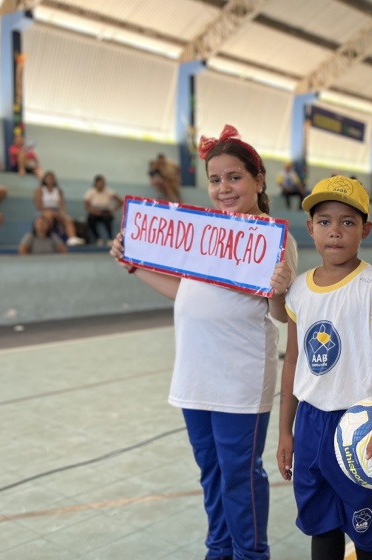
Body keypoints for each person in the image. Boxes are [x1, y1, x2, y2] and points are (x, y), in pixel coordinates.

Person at [110, 124, 297, 560]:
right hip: (195, 374)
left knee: (240, 475)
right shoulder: (204, 233)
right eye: (215, 179)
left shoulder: (273, 237)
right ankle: (218, 549)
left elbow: (279, 315)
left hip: (240, 379)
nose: (224, 187)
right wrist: (133, 265)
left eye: (235, 177)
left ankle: (251, 554)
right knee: (211, 473)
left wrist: (279, 290)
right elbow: (185, 292)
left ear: (258, 180)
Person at [276, 176, 372, 560]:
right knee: (322, 527)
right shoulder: (299, 289)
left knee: (369, 538)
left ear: (365, 229)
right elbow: (293, 364)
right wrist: (285, 430)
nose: (335, 232)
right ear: (310, 228)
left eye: (347, 222)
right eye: (324, 222)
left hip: (363, 427)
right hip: (310, 425)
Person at [34, 171, 85, 246]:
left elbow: (62, 205)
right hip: (44, 210)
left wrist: (62, 213)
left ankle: (72, 238)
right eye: (49, 179)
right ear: (45, 180)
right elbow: (38, 205)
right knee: (49, 217)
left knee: (68, 219)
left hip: (56, 211)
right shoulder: (40, 190)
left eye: (52, 179)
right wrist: (48, 211)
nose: (50, 180)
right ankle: (49, 237)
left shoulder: (58, 190)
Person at [83, 174, 123, 245]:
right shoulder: (90, 192)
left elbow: (120, 201)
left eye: (103, 182)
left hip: (106, 211)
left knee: (107, 218)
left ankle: (110, 238)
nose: (102, 184)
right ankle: (98, 238)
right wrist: (94, 211)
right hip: (94, 212)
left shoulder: (109, 191)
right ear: (96, 183)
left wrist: (113, 209)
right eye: (100, 182)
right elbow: (87, 206)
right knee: (90, 220)